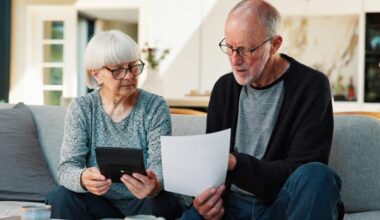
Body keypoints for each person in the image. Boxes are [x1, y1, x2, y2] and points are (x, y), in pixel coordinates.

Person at [180, 0, 343, 219]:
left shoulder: (311, 86)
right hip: (230, 208)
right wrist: (204, 201)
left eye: (246, 50)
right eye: (229, 47)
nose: (235, 60)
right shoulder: (224, 88)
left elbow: (301, 171)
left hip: (280, 205)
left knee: (318, 176)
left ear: (274, 44)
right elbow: (212, 167)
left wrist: (237, 164)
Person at [46, 30, 180, 220]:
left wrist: (154, 184)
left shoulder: (155, 106)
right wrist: (83, 178)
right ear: (97, 75)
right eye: (117, 70)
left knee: (164, 200)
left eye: (133, 67)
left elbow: (160, 166)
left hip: (143, 201)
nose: (129, 76)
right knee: (59, 197)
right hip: (99, 202)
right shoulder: (82, 108)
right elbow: (67, 168)